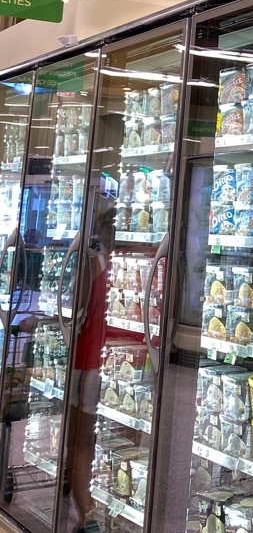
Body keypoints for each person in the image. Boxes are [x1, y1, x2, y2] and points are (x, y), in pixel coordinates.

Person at [65, 205, 115, 533]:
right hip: (113, 364)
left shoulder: (93, 263)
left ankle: (91, 513)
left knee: (84, 440)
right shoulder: (139, 262)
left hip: (94, 361)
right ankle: (99, 511)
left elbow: (73, 309)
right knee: (104, 440)